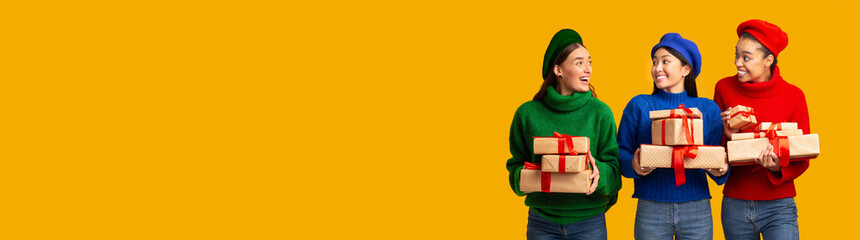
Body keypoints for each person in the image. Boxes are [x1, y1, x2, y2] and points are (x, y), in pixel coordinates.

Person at [505, 29, 621, 240]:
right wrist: (528, 175)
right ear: (558, 70)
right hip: (542, 222)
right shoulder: (527, 114)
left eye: (589, 62)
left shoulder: (600, 113)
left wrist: (599, 173)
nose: (588, 69)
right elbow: (515, 166)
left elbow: (614, 171)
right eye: (579, 63)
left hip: (589, 223)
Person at [617, 33, 728, 239]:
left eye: (665, 61)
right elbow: (620, 151)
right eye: (654, 62)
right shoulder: (639, 105)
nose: (657, 68)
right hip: (651, 208)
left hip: (697, 210)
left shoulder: (707, 109)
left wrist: (722, 169)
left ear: (686, 69)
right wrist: (633, 164)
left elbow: (718, 158)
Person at [714, 19, 809, 240]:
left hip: (779, 206)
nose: (738, 62)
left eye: (746, 57)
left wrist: (777, 168)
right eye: (736, 55)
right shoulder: (724, 88)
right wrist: (728, 137)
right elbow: (715, 152)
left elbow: (804, 156)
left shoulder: (794, 96)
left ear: (768, 60)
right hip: (735, 204)